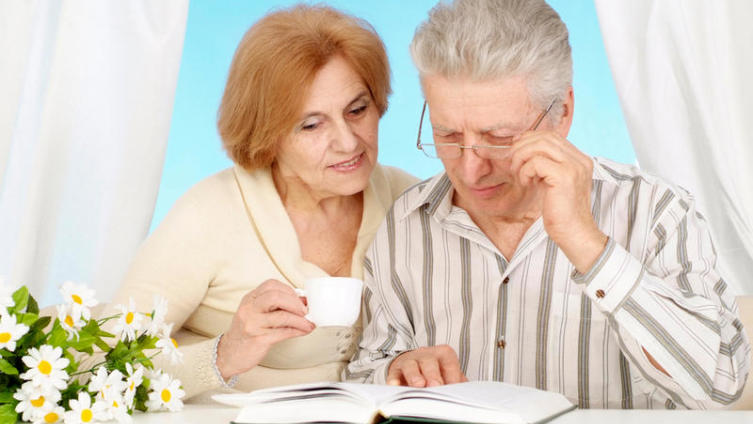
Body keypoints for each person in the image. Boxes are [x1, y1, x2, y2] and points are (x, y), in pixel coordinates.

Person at [345, 0, 750, 409]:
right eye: (447, 134)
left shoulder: (656, 212)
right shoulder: (407, 223)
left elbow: (720, 388)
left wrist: (587, 244)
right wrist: (397, 369)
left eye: (499, 138)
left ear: (563, 114)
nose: (469, 170)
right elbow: (366, 372)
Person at [97, 5, 417, 399]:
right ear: (266, 133)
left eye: (357, 109)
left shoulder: (410, 201)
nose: (349, 142)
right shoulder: (209, 215)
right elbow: (103, 365)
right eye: (312, 125)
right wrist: (224, 355)